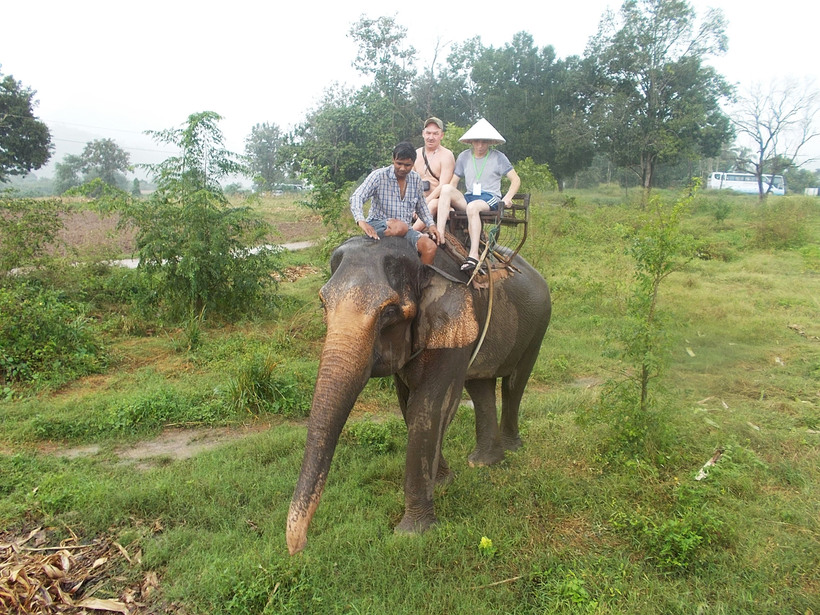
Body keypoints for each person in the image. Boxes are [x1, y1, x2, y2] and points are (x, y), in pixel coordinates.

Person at [435, 118, 521, 272]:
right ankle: (440, 234)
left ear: (489, 142)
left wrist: (508, 197)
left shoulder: (498, 157)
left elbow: (515, 180)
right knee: (446, 188)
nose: (480, 146)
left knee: (473, 208)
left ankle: (473, 254)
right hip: (469, 196)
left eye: (484, 142)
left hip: (489, 197)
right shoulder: (464, 156)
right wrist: (448, 201)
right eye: (477, 142)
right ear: (471, 142)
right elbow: (454, 181)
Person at [350, 141, 442, 265]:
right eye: (399, 163)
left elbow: (421, 206)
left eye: (407, 165)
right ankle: (377, 242)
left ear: (413, 163)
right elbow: (357, 196)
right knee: (400, 226)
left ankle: (418, 282)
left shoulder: (416, 179)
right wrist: (361, 221)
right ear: (393, 159)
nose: (403, 168)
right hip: (380, 224)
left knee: (430, 248)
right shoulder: (378, 176)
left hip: (404, 229)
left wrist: (431, 225)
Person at [411, 117, 455, 232]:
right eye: (428, 133)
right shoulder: (416, 154)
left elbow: (443, 185)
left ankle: (410, 233)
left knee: (434, 203)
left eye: (435, 134)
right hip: (419, 199)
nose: (431, 137)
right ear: (423, 134)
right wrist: (414, 203)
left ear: (442, 135)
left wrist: (425, 203)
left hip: (438, 200)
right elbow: (410, 183)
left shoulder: (447, 155)